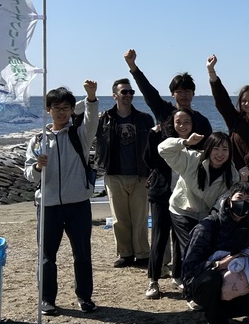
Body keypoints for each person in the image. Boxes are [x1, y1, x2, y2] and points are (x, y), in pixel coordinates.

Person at [25, 81, 99, 315]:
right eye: (56, 107)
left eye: (66, 107)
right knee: (47, 256)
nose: (61, 112)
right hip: (48, 206)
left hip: (78, 204)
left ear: (71, 110)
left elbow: (92, 119)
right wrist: (38, 167)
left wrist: (91, 97)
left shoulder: (80, 135)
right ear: (48, 110)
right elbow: (29, 175)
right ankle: (47, 299)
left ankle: (85, 297)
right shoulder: (38, 140)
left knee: (82, 254)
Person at [181, 183, 249, 324]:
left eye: (248, 200)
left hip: (234, 282)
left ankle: (215, 310)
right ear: (229, 200)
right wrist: (218, 264)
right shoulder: (208, 226)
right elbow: (189, 267)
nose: (243, 203)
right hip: (203, 282)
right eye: (239, 198)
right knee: (211, 280)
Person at [159, 131, 236, 284]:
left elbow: (222, 201)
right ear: (208, 148)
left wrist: (211, 219)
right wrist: (185, 143)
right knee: (190, 246)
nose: (220, 154)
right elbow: (163, 149)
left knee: (204, 246)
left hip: (207, 214)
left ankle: (191, 279)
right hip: (182, 209)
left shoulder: (232, 174)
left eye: (225, 149)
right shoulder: (192, 159)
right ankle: (189, 285)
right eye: (216, 148)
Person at [95, 78, 155, 269]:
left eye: (131, 92)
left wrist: (153, 170)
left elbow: (153, 147)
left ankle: (143, 254)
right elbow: (85, 128)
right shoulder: (104, 119)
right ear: (115, 96)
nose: (128, 95)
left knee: (140, 217)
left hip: (140, 174)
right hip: (114, 174)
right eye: (124, 92)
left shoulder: (144, 118)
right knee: (119, 219)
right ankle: (125, 254)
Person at [143, 107, 195, 299]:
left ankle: (178, 275)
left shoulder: (196, 143)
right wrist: (151, 136)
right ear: (172, 124)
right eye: (178, 122)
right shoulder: (162, 140)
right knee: (159, 237)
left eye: (186, 122)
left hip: (184, 198)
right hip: (161, 195)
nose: (182, 125)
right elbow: (149, 161)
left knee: (181, 239)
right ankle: (153, 280)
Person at [123, 48, 213, 142]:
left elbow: (209, 147)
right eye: (179, 92)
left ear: (193, 93)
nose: (184, 95)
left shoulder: (202, 121)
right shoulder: (164, 110)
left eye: (187, 91)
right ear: (172, 94)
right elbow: (148, 90)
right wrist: (132, 65)